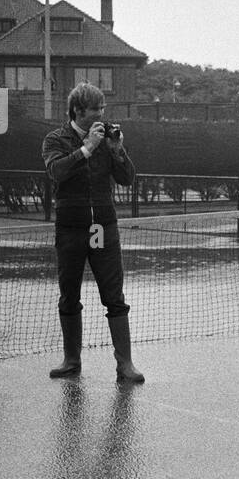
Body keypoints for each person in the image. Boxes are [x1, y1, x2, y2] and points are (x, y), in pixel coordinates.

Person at [42, 82, 145, 383]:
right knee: (69, 295)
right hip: (72, 227)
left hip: (101, 226)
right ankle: (71, 361)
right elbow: (56, 171)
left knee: (114, 295)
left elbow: (127, 179)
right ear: (78, 111)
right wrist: (86, 148)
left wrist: (117, 150)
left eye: (103, 108)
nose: (101, 114)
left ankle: (125, 364)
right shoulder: (56, 139)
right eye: (96, 109)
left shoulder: (106, 139)